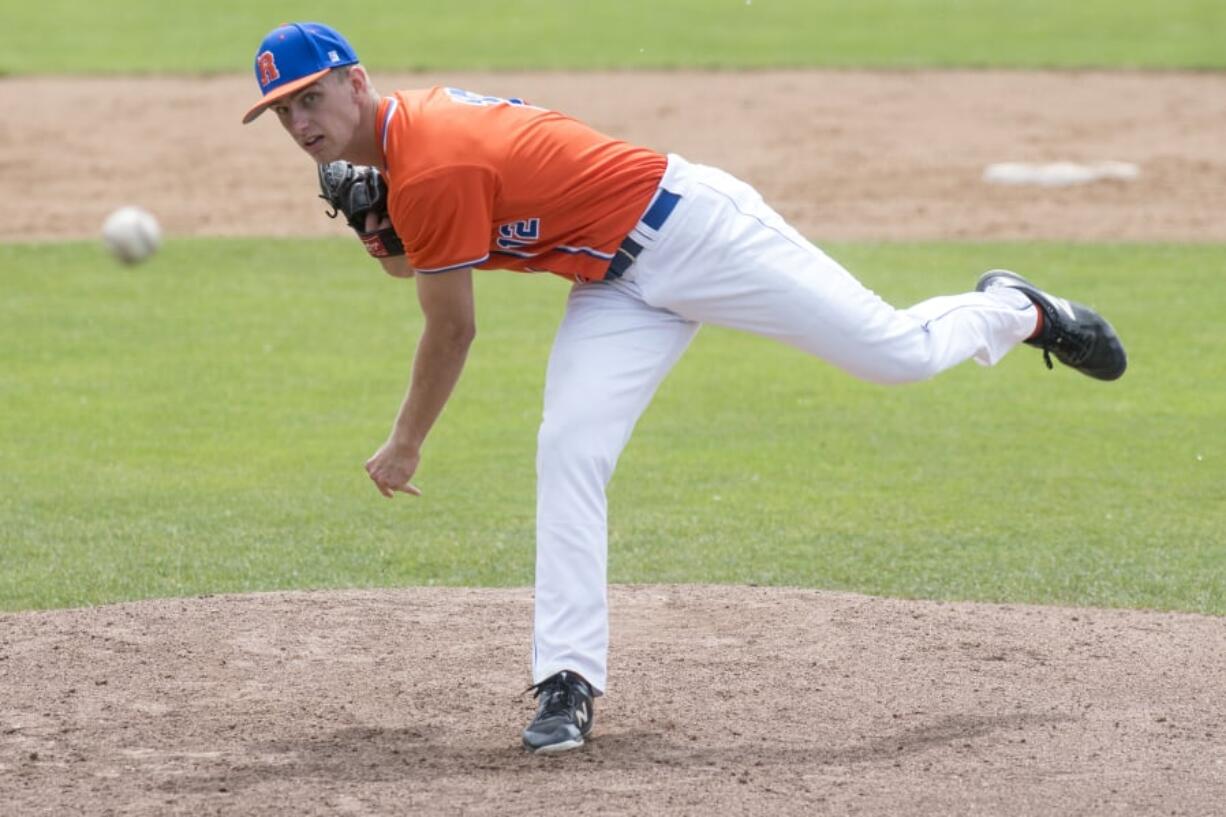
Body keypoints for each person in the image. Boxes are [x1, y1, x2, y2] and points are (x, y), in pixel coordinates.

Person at [243, 22, 1127, 754]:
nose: (299, 123)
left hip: (699, 232)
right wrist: (379, 221)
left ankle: (1012, 310)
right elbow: (418, 262)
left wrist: (406, 441)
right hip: (614, 284)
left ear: (356, 82)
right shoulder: (408, 153)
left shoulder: (430, 163)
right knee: (568, 448)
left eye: (310, 98)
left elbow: (452, 326)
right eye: (282, 112)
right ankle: (567, 680)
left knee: (892, 352)